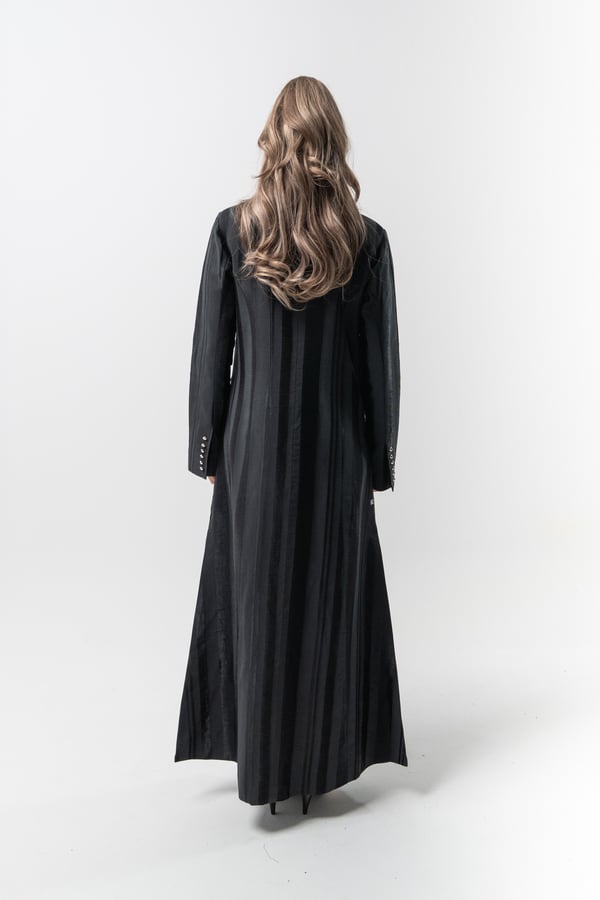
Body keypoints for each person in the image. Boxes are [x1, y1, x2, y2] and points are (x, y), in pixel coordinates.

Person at [174, 75, 408, 815]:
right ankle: (315, 766)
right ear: (333, 140)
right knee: (327, 599)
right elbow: (379, 368)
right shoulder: (365, 241)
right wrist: (379, 461)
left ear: (273, 136)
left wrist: (209, 450)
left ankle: (265, 763)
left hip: (251, 449)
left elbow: (211, 354)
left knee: (256, 599)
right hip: (338, 449)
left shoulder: (233, 229)